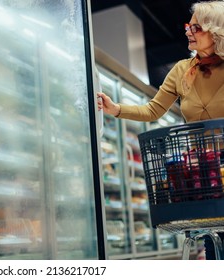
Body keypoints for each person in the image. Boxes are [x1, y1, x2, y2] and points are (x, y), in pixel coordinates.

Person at [97, 1, 224, 260]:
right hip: (205, 170)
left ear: (216, 32)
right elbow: (153, 110)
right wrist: (116, 109)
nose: (188, 31)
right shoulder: (181, 71)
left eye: (196, 27)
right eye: (188, 26)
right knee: (214, 238)